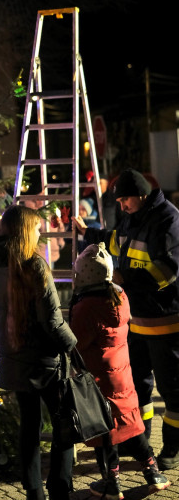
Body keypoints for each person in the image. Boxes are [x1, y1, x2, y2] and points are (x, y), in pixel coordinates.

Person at [0, 205, 97, 500]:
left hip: (12, 357)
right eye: (37, 229)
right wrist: (76, 347)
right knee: (64, 431)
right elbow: (52, 321)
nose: (41, 234)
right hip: (43, 362)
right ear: (24, 232)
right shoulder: (33, 265)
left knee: (29, 429)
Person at [72, 168, 179, 471]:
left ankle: (171, 448)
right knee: (138, 389)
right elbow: (116, 241)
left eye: (124, 201)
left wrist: (123, 277)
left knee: (172, 390)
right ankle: (139, 443)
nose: (121, 207)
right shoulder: (136, 217)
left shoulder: (168, 220)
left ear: (141, 196)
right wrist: (86, 234)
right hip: (138, 320)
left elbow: (168, 271)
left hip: (166, 321)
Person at [69, 243, 170, 500]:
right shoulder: (120, 296)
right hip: (123, 376)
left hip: (100, 379)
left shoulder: (86, 308)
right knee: (132, 424)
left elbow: (76, 343)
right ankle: (153, 473)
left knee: (105, 431)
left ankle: (111, 482)